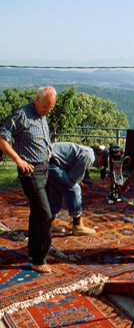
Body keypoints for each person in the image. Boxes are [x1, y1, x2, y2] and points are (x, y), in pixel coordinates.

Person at [0, 86, 57, 274]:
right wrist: (18, 160)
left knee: (37, 212)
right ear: (37, 100)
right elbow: (2, 138)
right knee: (45, 214)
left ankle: (33, 252)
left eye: (51, 108)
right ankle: (40, 260)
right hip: (30, 171)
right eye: (46, 107)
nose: (48, 111)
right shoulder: (22, 115)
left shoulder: (42, 114)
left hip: (44, 168)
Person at [47, 142, 108, 236]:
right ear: (101, 155)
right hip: (53, 165)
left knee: (56, 192)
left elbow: (83, 178)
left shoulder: (87, 152)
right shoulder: (89, 156)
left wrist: (101, 182)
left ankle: (47, 224)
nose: (100, 165)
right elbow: (73, 179)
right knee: (75, 189)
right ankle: (77, 226)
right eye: (103, 162)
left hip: (48, 163)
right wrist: (82, 186)